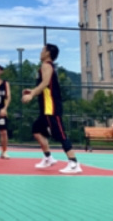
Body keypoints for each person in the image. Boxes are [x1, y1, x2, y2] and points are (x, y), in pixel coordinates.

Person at [22, 44, 81, 174]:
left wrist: (32, 94)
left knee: (60, 134)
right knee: (37, 130)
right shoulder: (46, 67)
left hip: (51, 107)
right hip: (45, 108)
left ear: (48, 53)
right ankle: (48, 158)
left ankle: (73, 163)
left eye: (42, 50)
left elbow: (45, 83)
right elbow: (46, 87)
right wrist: (32, 91)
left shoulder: (46, 65)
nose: (40, 52)